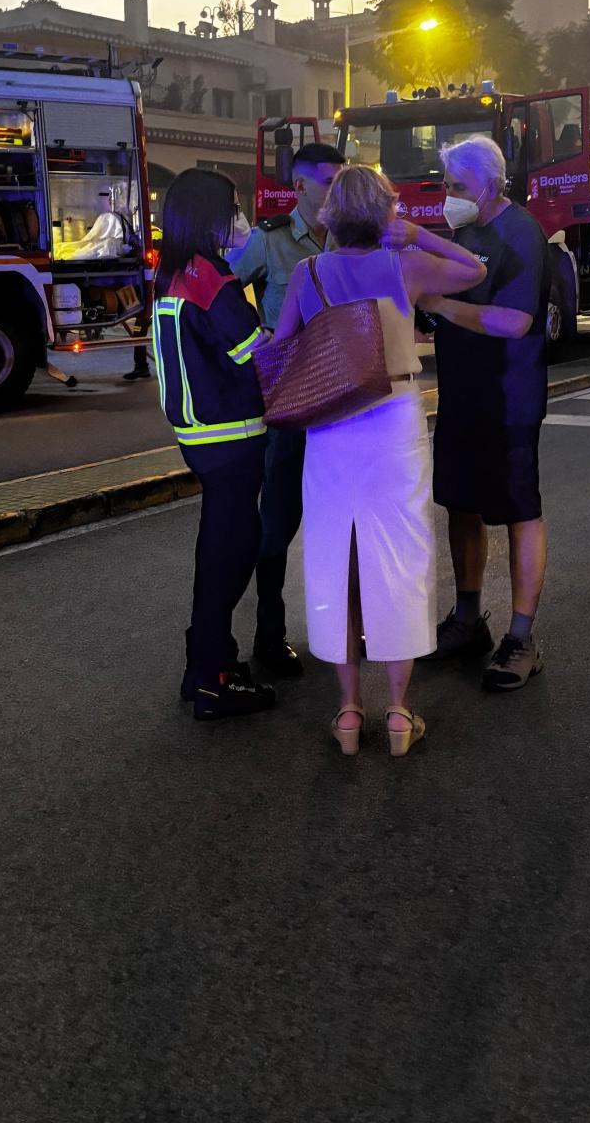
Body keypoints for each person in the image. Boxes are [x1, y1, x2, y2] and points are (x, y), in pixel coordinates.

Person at [266, 164, 483, 755]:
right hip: (394, 423)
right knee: (399, 557)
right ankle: (397, 711)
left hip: (330, 427)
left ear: (333, 213)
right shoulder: (402, 265)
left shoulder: (309, 272)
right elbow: (474, 270)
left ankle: (346, 711)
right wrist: (418, 234)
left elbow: (281, 345)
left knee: (337, 556)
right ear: (385, 210)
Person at [421, 135, 552, 691]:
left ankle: (522, 637)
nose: (447, 197)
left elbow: (514, 321)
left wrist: (441, 306)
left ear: (490, 186)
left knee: (520, 510)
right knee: (461, 505)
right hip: (462, 393)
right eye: (446, 185)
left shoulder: (521, 233)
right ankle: (468, 618)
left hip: (508, 396)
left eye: (456, 187)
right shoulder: (462, 233)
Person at [151, 169, 275, 721]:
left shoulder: (175, 272)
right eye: (231, 208)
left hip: (198, 435)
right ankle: (211, 677)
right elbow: (256, 353)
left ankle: (206, 662)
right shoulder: (212, 280)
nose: (239, 218)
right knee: (231, 552)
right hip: (231, 434)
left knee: (218, 547)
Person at [230, 142, 344, 675]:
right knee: (277, 525)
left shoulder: (351, 241)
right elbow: (220, 296)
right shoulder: (269, 242)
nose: (336, 192)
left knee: (343, 523)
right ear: (299, 187)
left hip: (344, 407)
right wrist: (260, 339)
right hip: (291, 406)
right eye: (327, 182)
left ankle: (342, 627)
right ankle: (268, 638)